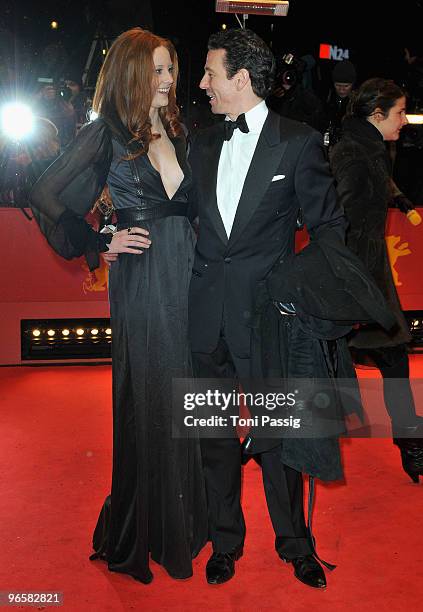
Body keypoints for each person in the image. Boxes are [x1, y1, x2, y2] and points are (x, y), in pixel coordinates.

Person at [30, 27, 207, 583]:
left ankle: (184, 523)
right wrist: (97, 243)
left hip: (189, 281)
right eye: (157, 69)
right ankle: (144, 531)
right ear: (131, 73)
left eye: (171, 68)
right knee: (151, 400)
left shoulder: (179, 130)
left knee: (186, 398)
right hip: (145, 284)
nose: (169, 79)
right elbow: (44, 192)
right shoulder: (104, 134)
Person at [188, 28, 351, 590]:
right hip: (206, 320)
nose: (202, 83)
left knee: (279, 436)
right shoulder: (201, 142)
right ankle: (224, 541)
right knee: (213, 437)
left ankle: (294, 543)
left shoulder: (299, 141)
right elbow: (179, 213)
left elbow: (330, 227)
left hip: (268, 324)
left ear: (240, 78)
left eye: (210, 73)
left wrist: (303, 294)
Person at [330, 77, 423, 483]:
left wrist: (398, 196)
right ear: (377, 113)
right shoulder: (352, 150)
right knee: (338, 359)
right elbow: (338, 213)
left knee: (393, 354)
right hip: (352, 273)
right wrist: (348, 279)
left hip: (369, 271)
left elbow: (376, 182)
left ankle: (410, 439)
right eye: (400, 112)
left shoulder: (370, 145)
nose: (405, 120)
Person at [324, 59, 357, 149]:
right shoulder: (327, 96)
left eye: (346, 86)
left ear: (353, 84)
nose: (341, 90)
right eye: (338, 85)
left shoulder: (358, 102)